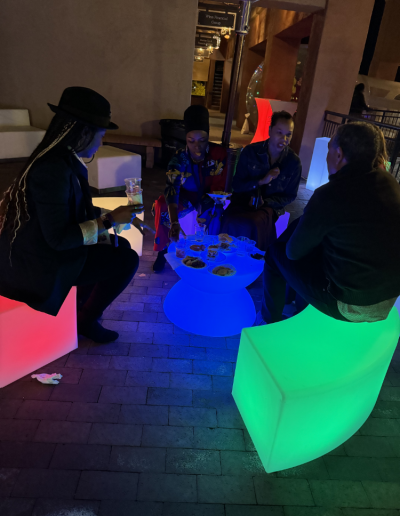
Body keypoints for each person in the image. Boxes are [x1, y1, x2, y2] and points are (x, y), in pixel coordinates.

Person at [0, 87, 147, 343]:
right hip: (39, 264)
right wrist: (110, 220)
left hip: (47, 248)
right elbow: (59, 238)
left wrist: (115, 215)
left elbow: (75, 212)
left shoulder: (65, 159)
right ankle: (86, 319)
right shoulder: (52, 170)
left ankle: (82, 307)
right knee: (126, 260)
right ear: (84, 133)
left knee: (117, 245)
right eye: (101, 135)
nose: (102, 142)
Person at [259, 121, 400, 325]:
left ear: (339, 154)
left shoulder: (330, 195)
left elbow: (292, 253)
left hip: (351, 304)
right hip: (388, 297)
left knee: (274, 254)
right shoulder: (390, 183)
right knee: (306, 230)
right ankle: (291, 301)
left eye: (329, 149)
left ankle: (268, 322)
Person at [152, 105, 227, 271]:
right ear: (185, 139)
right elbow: (172, 188)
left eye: (202, 140)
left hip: (209, 196)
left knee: (217, 212)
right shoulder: (179, 157)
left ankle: (210, 252)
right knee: (162, 205)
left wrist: (207, 206)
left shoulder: (218, 154)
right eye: (191, 141)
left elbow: (219, 186)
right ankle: (162, 250)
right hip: (184, 196)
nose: (197, 146)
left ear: (208, 137)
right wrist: (174, 222)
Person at [221, 111, 302, 251]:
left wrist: (266, 202)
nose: (284, 139)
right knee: (228, 218)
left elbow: (290, 195)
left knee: (254, 222)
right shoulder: (250, 152)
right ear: (270, 131)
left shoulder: (293, 162)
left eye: (288, 134)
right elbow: (236, 185)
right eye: (279, 133)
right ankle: (225, 255)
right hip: (242, 201)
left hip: (268, 208)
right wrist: (260, 181)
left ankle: (254, 261)